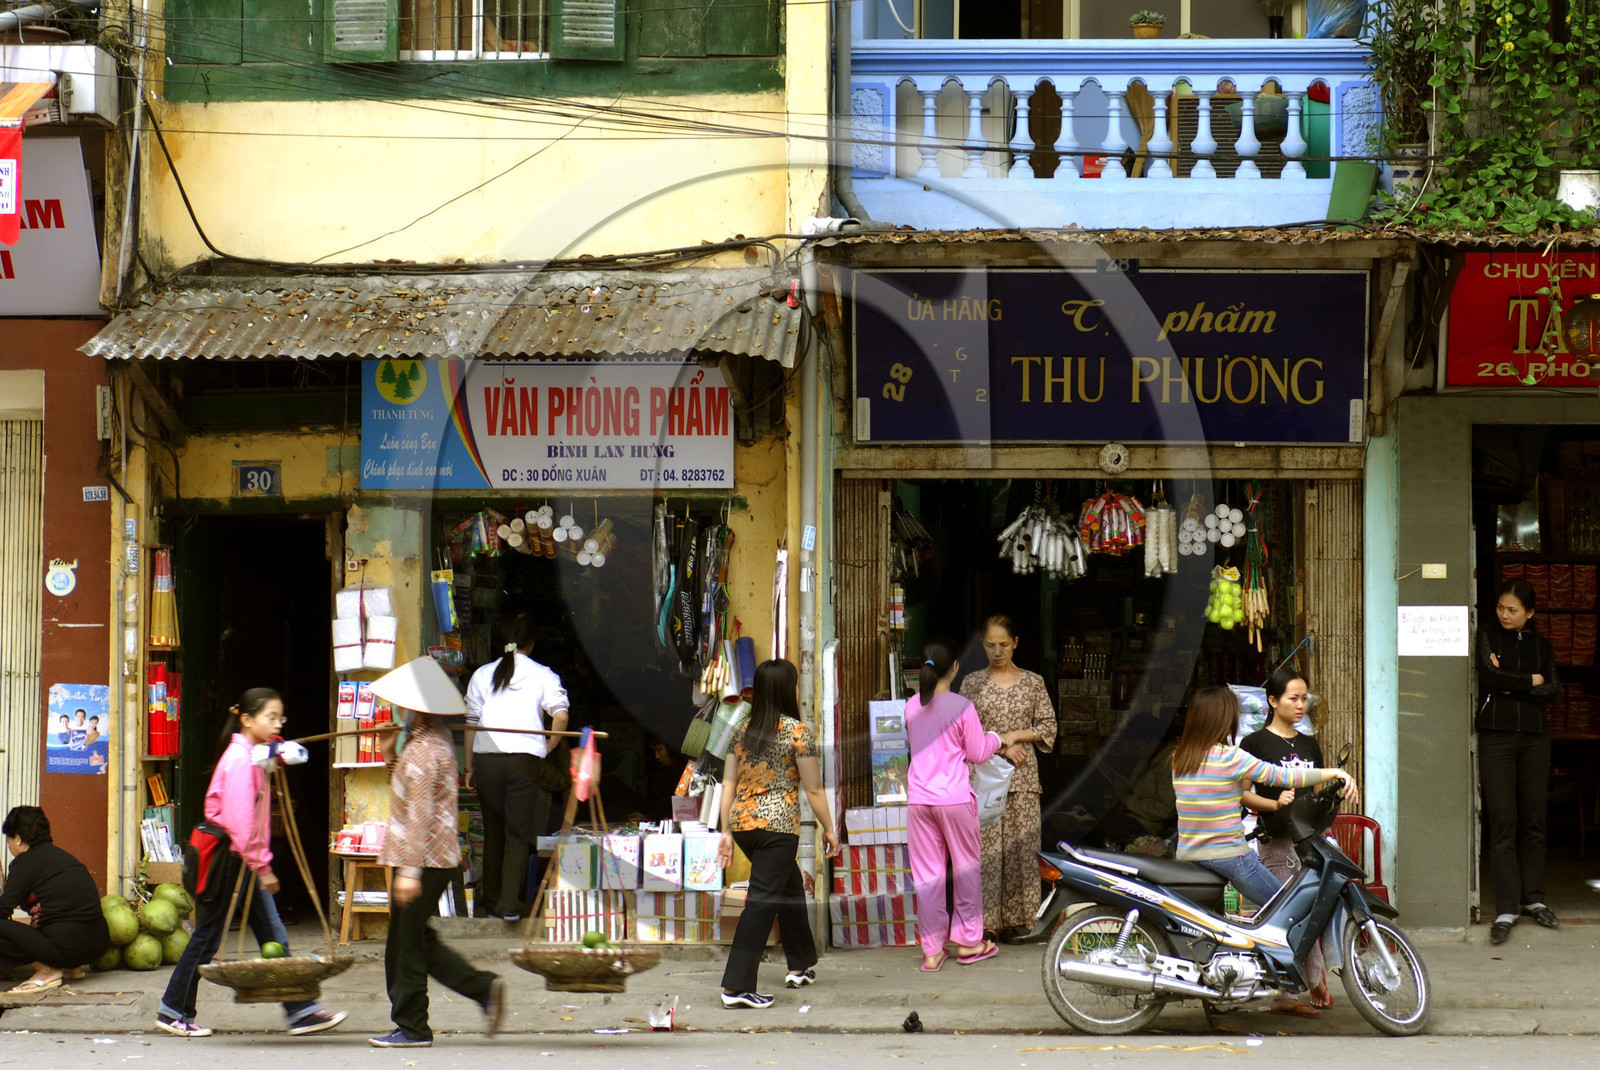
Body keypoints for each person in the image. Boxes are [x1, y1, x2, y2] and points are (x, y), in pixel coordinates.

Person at [157, 689, 346, 1038]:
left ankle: (300, 1009)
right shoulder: (241, 761)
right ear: (247, 719)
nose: (277, 724)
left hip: (241, 859)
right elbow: (242, 823)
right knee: (206, 940)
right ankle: (173, 1010)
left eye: (280, 718)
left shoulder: (251, 756)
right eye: (270, 717)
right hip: (231, 861)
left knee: (272, 934)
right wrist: (264, 867)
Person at [1172, 685, 1357, 1013]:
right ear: (1222, 719)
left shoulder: (1180, 757)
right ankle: (1283, 988)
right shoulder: (1230, 757)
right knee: (1288, 913)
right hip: (1231, 858)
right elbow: (1285, 775)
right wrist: (1335, 772)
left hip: (1189, 856)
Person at [371, 657, 505, 1049]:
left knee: (405, 947)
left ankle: (412, 1027)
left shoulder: (427, 752)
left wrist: (409, 874)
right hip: (427, 857)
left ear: (418, 709)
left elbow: (419, 816)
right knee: (415, 939)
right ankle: (483, 989)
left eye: (404, 707)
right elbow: (407, 789)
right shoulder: (430, 741)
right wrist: (388, 748)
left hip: (423, 859)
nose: (399, 712)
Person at [716, 658, 840, 1009]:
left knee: (788, 886)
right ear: (787, 689)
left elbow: (728, 784)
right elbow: (813, 790)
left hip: (744, 827)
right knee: (761, 902)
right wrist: (829, 828)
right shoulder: (797, 731)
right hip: (777, 828)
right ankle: (736, 987)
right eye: (796, 683)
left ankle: (800, 964)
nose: (799, 689)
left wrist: (725, 830)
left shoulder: (740, 731)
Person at [905, 636, 1031, 972]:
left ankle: (932, 951)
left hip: (919, 801)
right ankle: (970, 942)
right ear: (956, 668)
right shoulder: (962, 707)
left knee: (928, 877)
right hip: (955, 800)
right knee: (965, 871)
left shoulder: (911, 705)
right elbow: (977, 752)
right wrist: (998, 738)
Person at [464, 612, 570, 922]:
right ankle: (509, 906)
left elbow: (471, 724)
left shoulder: (482, 674)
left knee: (494, 831)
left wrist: (469, 768)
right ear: (531, 643)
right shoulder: (544, 675)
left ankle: (491, 901)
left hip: (487, 761)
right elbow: (560, 715)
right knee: (517, 834)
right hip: (524, 761)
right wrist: (549, 745)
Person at [958, 615, 1057, 941]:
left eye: (1003, 644)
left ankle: (1024, 920)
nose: (997, 651)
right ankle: (985, 924)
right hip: (984, 779)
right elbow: (963, 733)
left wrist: (1013, 735)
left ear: (1015, 643)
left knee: (1023, 851)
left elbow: (1047, 727)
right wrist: (1001, 747)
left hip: (1023, 780)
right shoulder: (972, 683)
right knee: (986, 854)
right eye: (990, 645)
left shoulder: (1033, 682)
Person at [1476, 577, 1561, 945]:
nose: (1504, 614)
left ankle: (1535, 900)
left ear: (1530, 612)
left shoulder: (1542, 644)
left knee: (1534, 819)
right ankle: (1507, 908)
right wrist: (1530, 681)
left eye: (1513, 610)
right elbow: (1489, 677)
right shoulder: (1488, 636)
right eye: (1501, 607)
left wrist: (1513, 683)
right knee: (1503, 821)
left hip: (1535, 739)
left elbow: (1553, 689)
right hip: (1496, 736)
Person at [1240, 670, 1331, 1014]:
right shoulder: (1255, 744)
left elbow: (1319, 792)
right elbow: (1243, 795)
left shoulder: (1309, 744)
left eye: (1304, 698)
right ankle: (1289, 993)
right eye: (1292, 698)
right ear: (1273, 701)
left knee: (1310, 912)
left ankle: (1311, 980)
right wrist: (1276, 802)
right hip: (1276, 841)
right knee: (1289, 917)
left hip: (1310, 843)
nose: (1300, 704)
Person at [0, 806, 109, 993]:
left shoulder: (25, 863)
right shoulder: (65, 858)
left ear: (17, 838)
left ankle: (46, 971)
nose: (9, 846)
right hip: (98, 946)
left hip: (66, 950)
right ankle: (72, 968)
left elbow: (3, 910)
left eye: (9, 840)